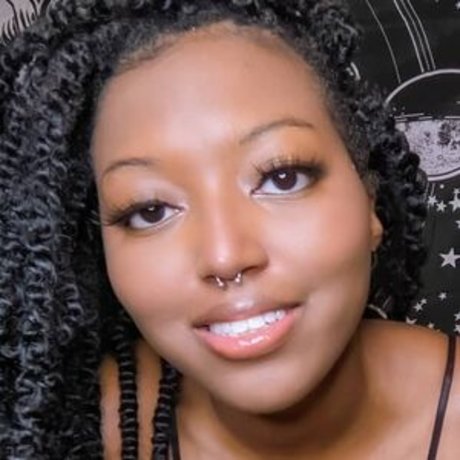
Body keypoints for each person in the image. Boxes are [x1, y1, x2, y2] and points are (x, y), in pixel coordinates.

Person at [0, 0, 458, 459]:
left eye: (283, 177)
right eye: (151, 211)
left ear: (370, 200)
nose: (225, 256)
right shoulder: (70, 431)